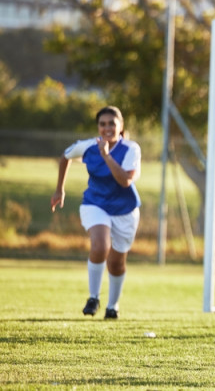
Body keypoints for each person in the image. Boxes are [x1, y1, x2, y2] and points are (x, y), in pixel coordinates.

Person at [51, 106, 141, 320]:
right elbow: (65, 157)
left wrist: (107, 156)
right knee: (100, 245)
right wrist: (59, 189)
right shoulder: (88, 146)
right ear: (98, 127)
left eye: (112, 123)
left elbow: (125, 180)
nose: (107, 127)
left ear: (121, 127)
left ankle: (112, 306)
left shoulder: (131, 149)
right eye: (103, 124)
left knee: (117, 263)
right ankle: (93, 297)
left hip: (124, 210)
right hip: (95, 204)